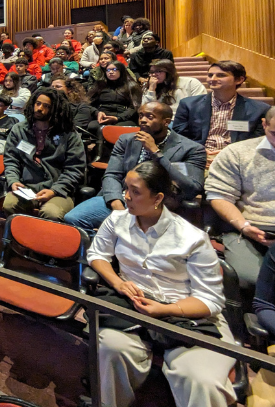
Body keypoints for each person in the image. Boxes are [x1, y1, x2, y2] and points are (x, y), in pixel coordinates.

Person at [89, 161, 236, 407]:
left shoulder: (193, 239)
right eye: (126, 188)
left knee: (199, 378)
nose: (126, 197)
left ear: (157, 198)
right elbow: (97, 255)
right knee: (110, 348)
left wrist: (165, 310)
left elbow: (210, 301)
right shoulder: (117, 220)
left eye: (135, 192)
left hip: (187, 317)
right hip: (135, 308)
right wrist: (118, 283)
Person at [65, 102, 206, 231]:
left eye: (150, 117)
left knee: (137, 231)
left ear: (166, 122)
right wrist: (117, 205)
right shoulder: (126, 140)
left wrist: (156, 153)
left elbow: (192, 188)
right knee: (72, 219)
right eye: (141, 115)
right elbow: (112, 175)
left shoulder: (192, 149)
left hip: (156, 205)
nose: (143, 120)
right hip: (121, 197)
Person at [205, 106, 275, 291]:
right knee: (250, 279)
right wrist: (244, 226)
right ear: (264, 124)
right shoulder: (237, 152)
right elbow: (219, 195)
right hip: (250, 230)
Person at [2, 89, 86, 220]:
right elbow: (11, 159)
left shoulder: (69, 134)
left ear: (56, 110)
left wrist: (54, 190)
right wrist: (13, 181)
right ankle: (21, 239)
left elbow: (75, 169)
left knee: (51, 213)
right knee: (10, 204)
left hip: (58, 190)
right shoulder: (19, 129)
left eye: (46, 106)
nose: (39, 108)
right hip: (26, 187)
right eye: (38, 103)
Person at [173, 60, 268, 165]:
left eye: (221, 75)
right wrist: (198, 151)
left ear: (239, 80)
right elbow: (179, 135)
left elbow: (257, 141)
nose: (212, 79)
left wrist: (227, 153)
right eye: (210, 75)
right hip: (197, 157)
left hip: (238, 160)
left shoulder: (258, 109)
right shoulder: (188, 105)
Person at [87, 60, 142, 134]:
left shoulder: (132, 86)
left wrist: (118, 118)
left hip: (123, 118)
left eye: (114, 69)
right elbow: (88, 103)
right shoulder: (100, 85)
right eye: (108, 70)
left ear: (122, 71)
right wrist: (97, 112)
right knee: (93, 126)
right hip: (102, 117)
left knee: (113, 130)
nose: (111, 72)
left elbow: (134, 107)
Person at [141, 59, 206, 110]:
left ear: (169, 72)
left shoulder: (190, 83)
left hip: (185, 120)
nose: (154, 75)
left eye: (158, 71)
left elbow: (200, 104)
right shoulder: (151, 87)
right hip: (161, 122)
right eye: (151, 72)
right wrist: (151, 90)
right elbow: (146, 110)